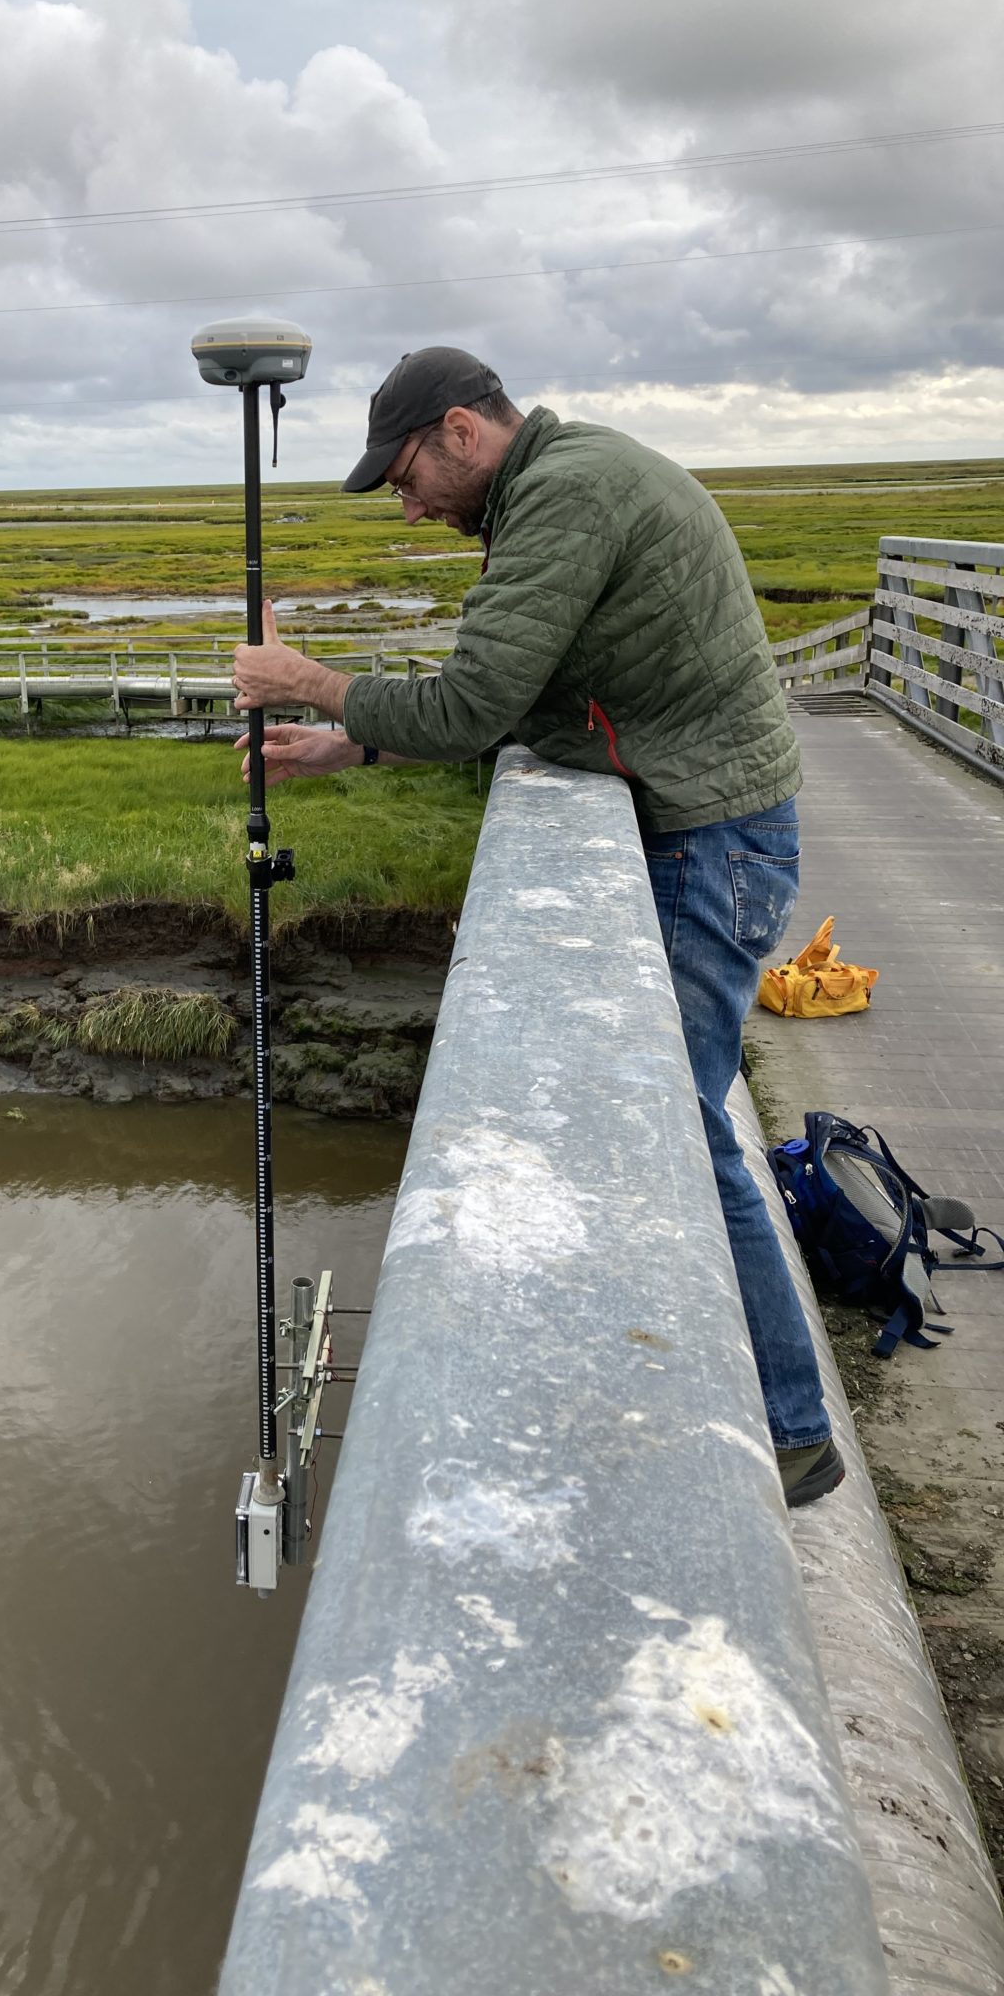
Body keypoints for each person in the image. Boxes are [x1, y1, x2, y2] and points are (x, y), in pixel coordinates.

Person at [230, 345, 843, 1509]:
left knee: (674, 1136)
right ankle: (740, 1399)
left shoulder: (565, 495)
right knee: (672, 1125)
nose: (410, 508)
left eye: (407, 477)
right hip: (705, 827)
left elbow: (472, 704)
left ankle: (792, 1432)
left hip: (708, 842)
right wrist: (349, 746)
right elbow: (521, 698)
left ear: (462, 432)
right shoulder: (558, 483)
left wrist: (306, 678)